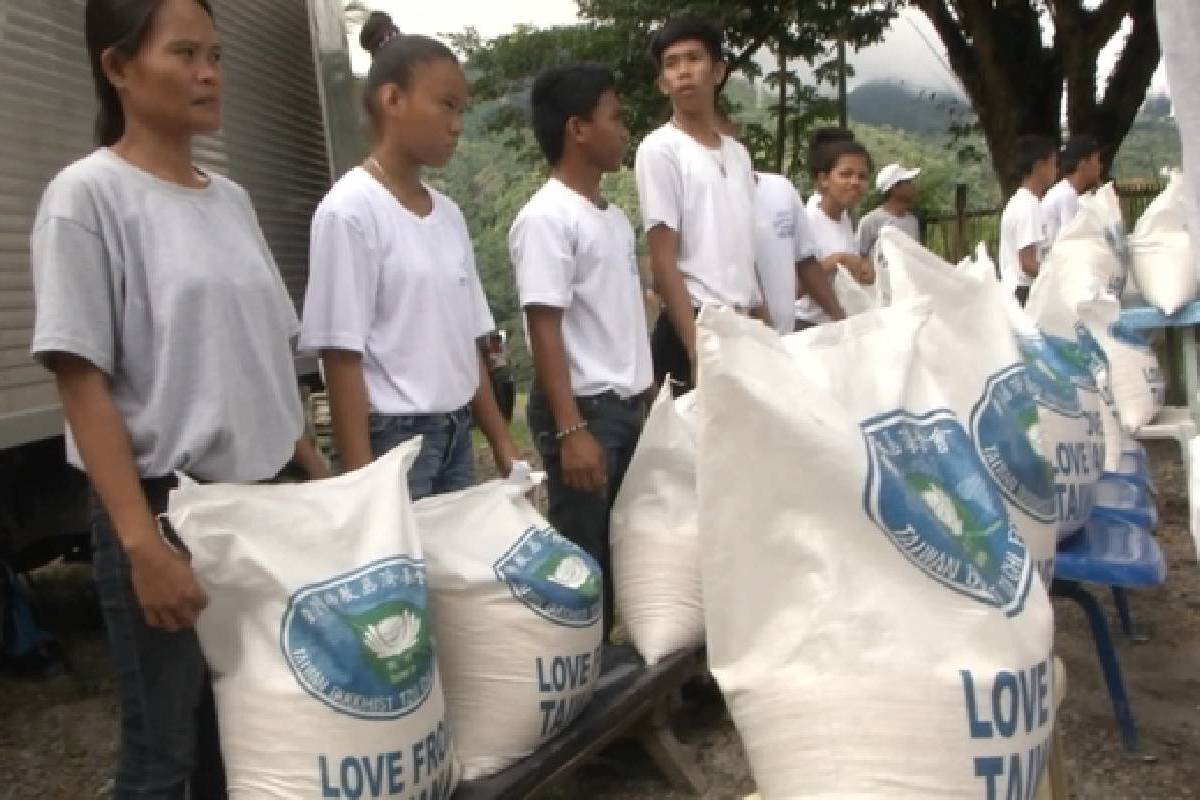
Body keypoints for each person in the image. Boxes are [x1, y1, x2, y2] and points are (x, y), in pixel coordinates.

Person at [29, 0, 328, 795]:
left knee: (248, 734)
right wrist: (140, 548)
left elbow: (261, 351)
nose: (209, 73)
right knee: (164, 754)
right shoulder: (86, 198)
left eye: (217, 56)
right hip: (167, 513)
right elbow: (81, 381)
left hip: (259, 504)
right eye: (186, 53)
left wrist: (314, 466)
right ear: (119, 68)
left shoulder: (228, 199)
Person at [300, 12, 517, 498]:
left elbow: (465, 342)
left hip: (455, 432)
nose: (457, 125)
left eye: (462, 110)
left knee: (452, 572)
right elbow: (341, 356)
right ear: (392, 99)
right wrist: (362, 484)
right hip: (393, 439)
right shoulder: (350, 211)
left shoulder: (449, 216)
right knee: (406, 570)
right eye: (446, 106)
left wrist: (502, 442)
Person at [510, 64, 653, 633]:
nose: (624, 130)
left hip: (622, 405)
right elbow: (544, 327)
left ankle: (624, 694)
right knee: (583, 560)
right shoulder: (547, 218)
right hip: (585, 410)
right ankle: (580, 697)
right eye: (613, 117)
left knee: (622, 552)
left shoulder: (612, 219)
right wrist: (571, 431)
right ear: (577, 128)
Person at [634, 14, 763, 392]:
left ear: (718, 70)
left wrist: (762, 320)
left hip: (742, 326)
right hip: (693, 323)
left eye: (693, 59)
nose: (683, 72)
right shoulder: (660, 149)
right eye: (671, 64)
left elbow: (744, 249)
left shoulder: (738, 155)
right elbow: (662, 257)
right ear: (662, 83)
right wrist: (695, 346)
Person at [794, 135, 875, 329]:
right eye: (845, 174)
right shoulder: (807, 222)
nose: (855, 182)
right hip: (808, 327)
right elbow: (791, 289)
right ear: (824, 179)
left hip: (836, 326)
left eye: (862, 176)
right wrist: (838, 260)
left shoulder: (845, 219)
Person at [999, 135, 1058, 306]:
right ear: (1040, 166)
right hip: (1023, 292)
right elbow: (1027, 263)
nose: (1056, 170)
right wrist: (1057, 276)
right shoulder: (1028, 206)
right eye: (1053, 164)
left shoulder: (1024, 201)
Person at [1042, 134, 1102, 246]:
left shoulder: (1064, 190)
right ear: (1083, 164)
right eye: (1097, 160)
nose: (1100, 166)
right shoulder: (1067, 196)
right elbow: (1074, 240)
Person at [857, 162, 921, 261]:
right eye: (908, 182)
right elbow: (860, 254)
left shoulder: (913, 221)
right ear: (894, 188)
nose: (913, 186)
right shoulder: (870, 221)